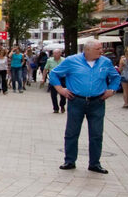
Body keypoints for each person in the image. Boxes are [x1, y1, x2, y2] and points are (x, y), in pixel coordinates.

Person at [48, 39, 122, 174]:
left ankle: (94, 163)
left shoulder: (105, 62)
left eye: (101, 48)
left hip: (97, 102)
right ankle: (69, 160)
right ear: (87, 50)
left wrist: (111, 90)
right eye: (98, 49)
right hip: (76, 101)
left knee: (96, 134)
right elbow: (53, 74)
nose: (101, 51)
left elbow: (115, 77)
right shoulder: (72, 61)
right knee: (72, 132)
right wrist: (61, 90)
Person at [45, 49, 66, 113]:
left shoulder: (64, 60)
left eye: (57, 53)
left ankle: (62, 105)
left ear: (60, 53)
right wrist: (43, 79)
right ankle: (55, 108)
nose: (55, 55)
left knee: (63, 93)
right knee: (53, 94)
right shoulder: (49, 60)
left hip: (62, 78)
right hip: (53, 79)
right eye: (54, 53)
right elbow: (45, 69)